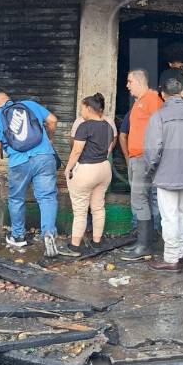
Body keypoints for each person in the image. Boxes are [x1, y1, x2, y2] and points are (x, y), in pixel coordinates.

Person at [0, 92, 60, 258]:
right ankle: (49, 233)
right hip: (45, 156)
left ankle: (18, 236)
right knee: (47, 197)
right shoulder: (29, 104)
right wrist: (49, 138)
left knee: (16, 199)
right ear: (8, 99)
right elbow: (53, 120)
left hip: (19, 162)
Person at [144, 78, 183, 272]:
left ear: (162, 94)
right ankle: (179, 254)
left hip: (166, 174)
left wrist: (150, 171)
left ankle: (170, 259)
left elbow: (153, 151)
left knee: (169, 217)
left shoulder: (159, 117)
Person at [64, 93, 116, 256]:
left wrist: (68, 168)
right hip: (104, 169)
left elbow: (77, 150)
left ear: (88, 108)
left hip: (87, 170)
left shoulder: (84, 127)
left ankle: (74, 246)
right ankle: (96, 242)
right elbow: (107, 148)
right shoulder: (108, 126)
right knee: (98, 207)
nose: (81, 112)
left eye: (82, 108)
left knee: (80, 210)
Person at [121, 69, 164, 261]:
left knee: (140, 199)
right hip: (136, 158)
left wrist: (151, 156)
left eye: (130, 81)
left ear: (139, 81)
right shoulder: (138, 102)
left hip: (144, 158)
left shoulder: (153, 99)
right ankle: (142, 242)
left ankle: (145, 245)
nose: (127, 85)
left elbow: (161, 129)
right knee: (140, 199)